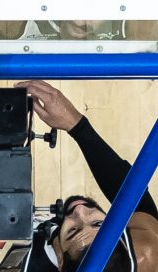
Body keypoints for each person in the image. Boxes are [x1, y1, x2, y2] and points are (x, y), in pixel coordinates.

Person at [18, 80, 158, 272]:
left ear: (60, 259)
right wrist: (77, 125)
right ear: (123, 242)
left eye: (73, 230)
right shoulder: (145, 254)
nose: (80, 210)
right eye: (98, 223)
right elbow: (136, 199)